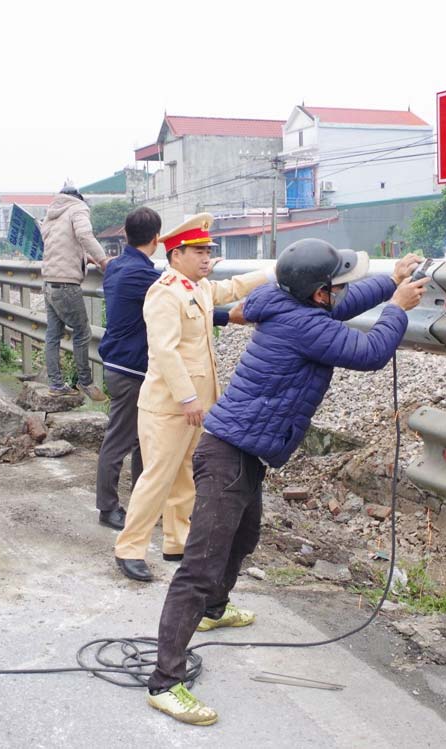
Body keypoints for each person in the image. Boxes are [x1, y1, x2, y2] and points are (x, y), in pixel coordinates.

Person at [144, 239, 429, 725]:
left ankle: (215, 610)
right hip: (229, 454)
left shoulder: (285, 303)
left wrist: (391, 280)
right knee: (199, 567)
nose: (342, 291)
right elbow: (371, 351)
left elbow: (343, 306)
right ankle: (165, 682)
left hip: (246, 450)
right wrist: (397, 307)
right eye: (337, 284)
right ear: (318, 293)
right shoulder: (307, 325)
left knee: (244, 539)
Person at [113, 213, 269, 582]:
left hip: (196, 406)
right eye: (198, 251)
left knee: (186, 474)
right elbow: (164, 351)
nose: (206, 258)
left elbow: (230, 288)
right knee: (157, 478)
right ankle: (129, 548)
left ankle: (176, 541)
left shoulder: (196, 288)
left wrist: (271, 274)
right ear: (176, 254)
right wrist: (186, 398)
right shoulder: (165, 292)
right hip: (170, 406)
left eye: (208, 251)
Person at [93, 209, 236, 532]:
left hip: (120, 363)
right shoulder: (146, 277)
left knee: (143, 444)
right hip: (131, 368)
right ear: (158, 240)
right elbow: (189, 299)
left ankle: (147, 507)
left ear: (125, 235)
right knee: (122, 440)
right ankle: (108, 507)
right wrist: (227, 313)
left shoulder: (116, 266)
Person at [40, 182, 109, 401]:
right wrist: (103, 260)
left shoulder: (51, 213)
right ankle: (85, 381)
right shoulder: (78, 208)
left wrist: (83, 257)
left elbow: (60, 245)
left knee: (53, 335)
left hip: (49, 282)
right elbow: (84, 235)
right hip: (66, 285)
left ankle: (56, 384)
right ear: (79, 198)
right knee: (83, 332)